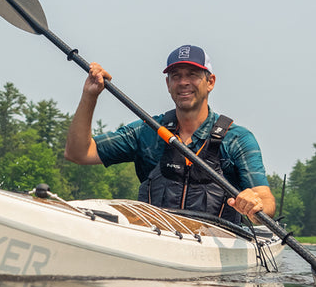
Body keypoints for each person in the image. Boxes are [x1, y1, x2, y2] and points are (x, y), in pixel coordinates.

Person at [64, 45, 275, 223]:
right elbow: (79, 153)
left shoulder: (237, 138)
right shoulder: (147, 130)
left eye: (192, 75)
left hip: (217, 244)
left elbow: (266, 200)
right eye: (176, 76)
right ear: (168, 84)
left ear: (210, 82)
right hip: (156, 238)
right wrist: (90, 95)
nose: (183, 82)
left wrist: (254, 204)